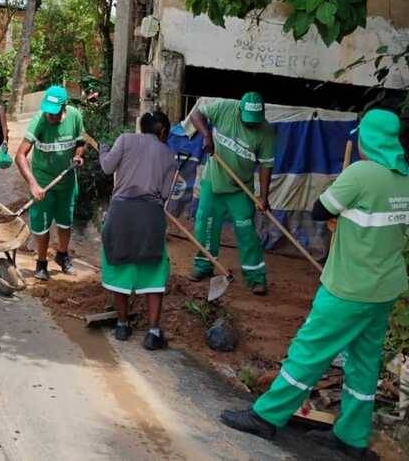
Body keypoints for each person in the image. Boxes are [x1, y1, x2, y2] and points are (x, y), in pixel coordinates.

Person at [220, 109, 409, 459]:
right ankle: (352, 437)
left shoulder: (361, 173)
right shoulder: (404, 179)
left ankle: (266, 416)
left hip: (348, 287)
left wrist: (342, 194)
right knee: (364, 364)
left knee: (309, 351)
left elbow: (321, 209)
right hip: (385, 289)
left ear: (367, 139)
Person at [99, 112, 177, 350]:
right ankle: (153, 333)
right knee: (154, 271)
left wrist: (103, 150)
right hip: (151, 215)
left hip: (121, 212)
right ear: (162, 131)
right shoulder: (168, 154)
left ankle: (122, 325)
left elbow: (106, 167)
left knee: (120, 265)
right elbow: (164, 195)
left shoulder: (124, 140)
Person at [188, 92, 274, 295]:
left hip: (240, 188)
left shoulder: (267, 132)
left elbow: (266, 166)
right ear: (239, 110)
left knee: (247, 232)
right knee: (205, 225)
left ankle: (256, 277)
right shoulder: (224, 107)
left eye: (255, 122)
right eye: (248, 121)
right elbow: (195, 115)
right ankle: (203, 266)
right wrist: (207, 134)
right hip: (213, 182)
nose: (251, 125)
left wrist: (263, 196)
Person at [15, 85, 85, 281]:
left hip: (67, 181)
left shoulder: (75, 116)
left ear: (65, 107)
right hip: (43, 183)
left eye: (54, 113)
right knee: (41, 225)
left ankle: (63, 255)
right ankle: (41, 262)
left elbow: (80, 143)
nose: (50, 116)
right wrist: (33, 184)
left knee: (65, 223)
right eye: (48, 112)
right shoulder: (39, 121)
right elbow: (20, 156)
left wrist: (78, 156)